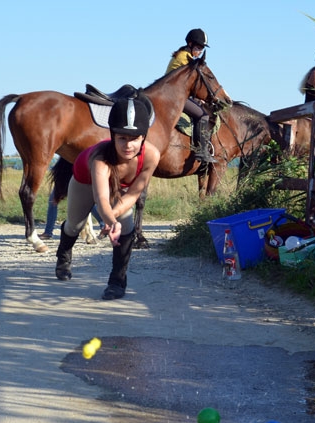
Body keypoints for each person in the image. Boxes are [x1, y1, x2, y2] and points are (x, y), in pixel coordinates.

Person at [54, 96, 160, 300]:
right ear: (112, 136)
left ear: (143, 138)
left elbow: (134, 193)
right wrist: (110, 220)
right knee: (74, 226)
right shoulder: (100, 158)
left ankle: (117, 281)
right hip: (84, 182)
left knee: (127, 224)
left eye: (135, 138)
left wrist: (116, 220)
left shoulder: (152, 156)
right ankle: (63, 254)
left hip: (117, 188)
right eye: (122, 138)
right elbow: (101, 197)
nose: (128, 145)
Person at [166, 28, 215, 164]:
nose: (200, 51)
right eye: (198, 47)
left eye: (202, 48)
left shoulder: (183, 55)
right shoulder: (185, 59)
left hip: (175, 94)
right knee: (203, 115)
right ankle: (202, 151)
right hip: (174, 97)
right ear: (190, 43)